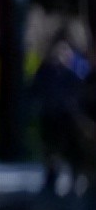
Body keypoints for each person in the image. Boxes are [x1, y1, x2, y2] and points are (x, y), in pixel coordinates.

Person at [29, 36, 89, 195]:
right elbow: (34, 90)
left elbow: (80, 93)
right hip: (49, 116)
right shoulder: (46, 71)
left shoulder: (73, 74)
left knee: (70, 151)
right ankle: (51, 178)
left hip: (67, 118)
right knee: (50, 151)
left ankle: (74, 179)